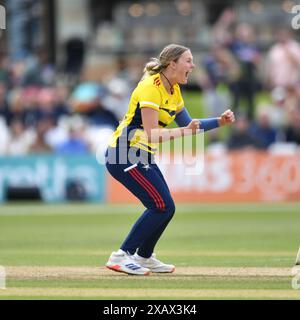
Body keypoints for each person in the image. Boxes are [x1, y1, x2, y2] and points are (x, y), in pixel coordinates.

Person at [105, 44, 235, 276]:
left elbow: (189, 124)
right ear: (172, 64)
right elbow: (153, 133)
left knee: (167, 207)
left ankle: (143, 257)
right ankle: (121, 256)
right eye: (188, 60)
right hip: (123, 154)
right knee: (161, 205)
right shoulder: (150, 87)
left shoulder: (173, 90)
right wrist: (186, 132)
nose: (192, 66)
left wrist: (219, 121)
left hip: (140, 154)